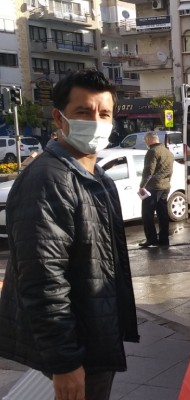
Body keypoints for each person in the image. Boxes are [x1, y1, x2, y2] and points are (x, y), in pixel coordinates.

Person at [0, 69, 139, 400]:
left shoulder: (97, 177)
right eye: (83, 112)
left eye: (104, 113)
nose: (96, 122)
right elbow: (43, 281)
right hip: (77, 349)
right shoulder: (48, 179)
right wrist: (64, 362)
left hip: (96, 336)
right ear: (58, 118)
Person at [138, 131, 174, 247]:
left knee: (147, 214)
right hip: (165, 187)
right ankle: (164, 240)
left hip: (153, 188)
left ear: (149, 139)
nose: (145, 143)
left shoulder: (152, 151)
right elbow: (170, 171)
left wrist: (142, 186)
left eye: (145, 141)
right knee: (162, 215)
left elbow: (148, 171)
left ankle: (151, 239)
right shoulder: (168, 152)